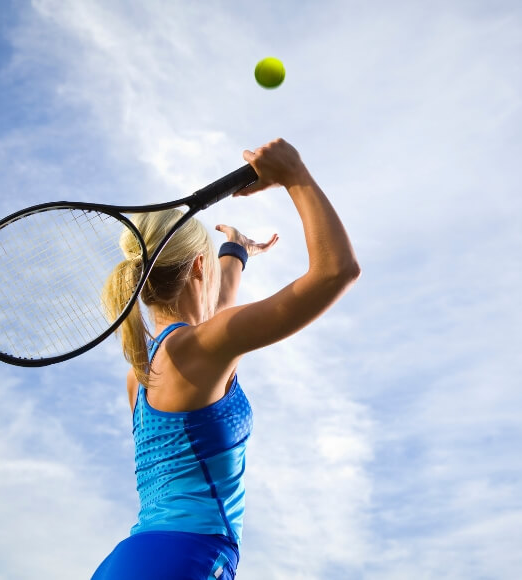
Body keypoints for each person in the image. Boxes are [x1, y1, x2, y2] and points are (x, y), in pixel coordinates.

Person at [92, 138, 361, 580]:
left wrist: (235, 252)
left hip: (135, 560)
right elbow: (337, 271)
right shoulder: (199, 347)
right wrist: (295, 175)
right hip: (184, 562)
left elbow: (215, 318)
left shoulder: (143, 372)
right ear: (199, 268)